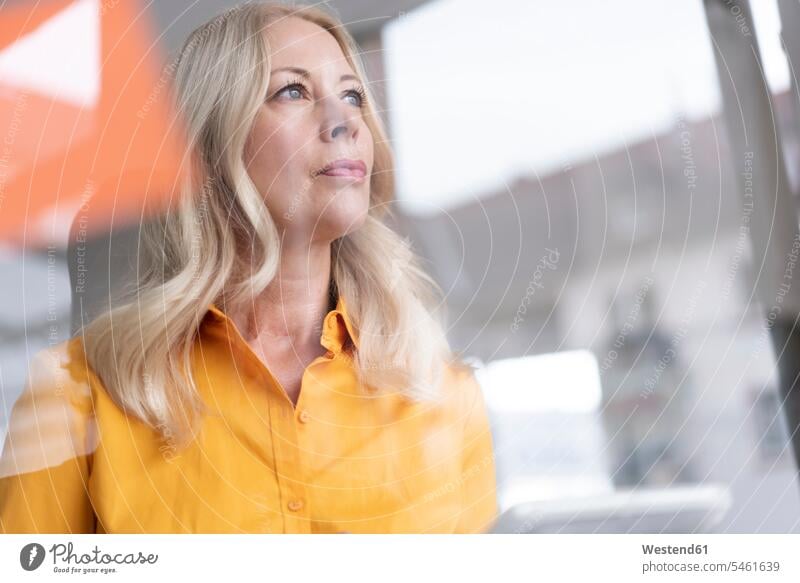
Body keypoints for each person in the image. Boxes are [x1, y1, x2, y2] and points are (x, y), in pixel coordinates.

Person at [0, 1, 497, 534]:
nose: (344, 121)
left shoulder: (444, 394)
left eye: (352, 95)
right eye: (293, 91)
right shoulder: (79, 391)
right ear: (213, 141)